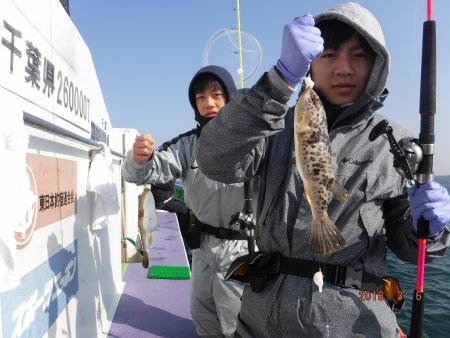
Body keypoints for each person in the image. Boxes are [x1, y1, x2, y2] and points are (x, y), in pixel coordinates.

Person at [196, 3, 450, 337]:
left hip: (355, 321)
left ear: (377, 65)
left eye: (358, 56)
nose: (344, 68)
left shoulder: (395, 141)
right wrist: (277, 82)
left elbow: (411, 248)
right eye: (329, 55)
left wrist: (429, 231)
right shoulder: (271, 124)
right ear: (309, 64)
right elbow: (214, 160)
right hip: (261, 320)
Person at [122, 65, 249, 337]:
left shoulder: (250, 141)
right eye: (200, 98)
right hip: (202, 246)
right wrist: (138, 158)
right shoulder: (187, 144)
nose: (208, 103)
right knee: (202, 316)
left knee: (237, 323)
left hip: (242, 248)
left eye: (216, 95)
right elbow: (143, 172)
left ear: (230, 98)